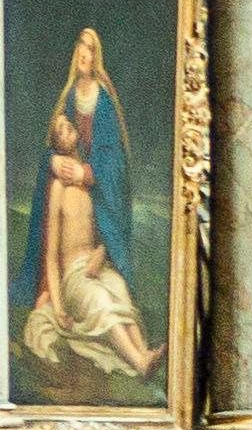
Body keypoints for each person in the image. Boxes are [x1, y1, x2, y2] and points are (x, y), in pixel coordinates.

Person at [18, 26, 160, 382]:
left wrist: (86, 173)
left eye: (92, 52)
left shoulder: (105, 103)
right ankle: (140, 360)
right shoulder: (67, 104)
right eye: (81, 52)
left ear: (98, 58)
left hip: (92, 257)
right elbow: (51, 250)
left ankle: (142, 357)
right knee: (98, 301)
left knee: (117, 290)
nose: (86, 58)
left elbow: (114, 166)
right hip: (71, 271)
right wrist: (52, 164)